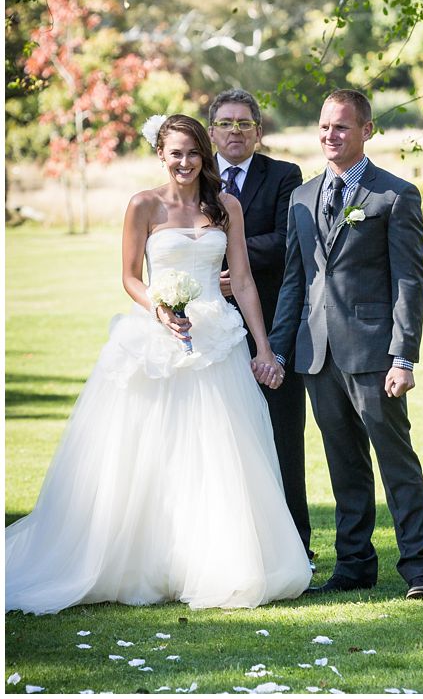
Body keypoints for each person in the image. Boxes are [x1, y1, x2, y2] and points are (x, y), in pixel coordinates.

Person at [5, 115, 312, 614]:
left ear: (204, 155)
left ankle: (215, 561)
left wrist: (263, 347)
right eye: (176, 153)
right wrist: (160, 307)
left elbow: (248, 282)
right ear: (160, 155)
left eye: (193, 152)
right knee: (150, 450)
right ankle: (141, 559)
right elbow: (129, 277)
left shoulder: (227, 206)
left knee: (220, 451)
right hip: (156, 338)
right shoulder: (143, 205)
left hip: (218, 338)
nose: (185, 162)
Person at [266, 89, 423, 599]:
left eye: (341, 126)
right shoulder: (302, 197)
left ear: (366, 130)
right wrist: (278, 350)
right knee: (344, 465)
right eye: (323, 126)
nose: (329, 135)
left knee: (396, 460)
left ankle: (420, 568)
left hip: (373, 353)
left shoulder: (394, 195)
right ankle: (355, 565)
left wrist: (403, 356)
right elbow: (296, 283)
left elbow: (410, 281)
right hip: (315, 355)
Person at [208, 88, 311, 562]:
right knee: (217, 437)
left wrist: (232, 260)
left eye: (244, 123)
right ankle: (230, 549)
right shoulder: (192, 173)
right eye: (225, 123)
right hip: (208, 328)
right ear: (211, 132)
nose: (234, 131)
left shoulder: (285, 176)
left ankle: (295, 547)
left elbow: (289, 239)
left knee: (283, 435)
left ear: (259, 131)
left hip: (272, 325)